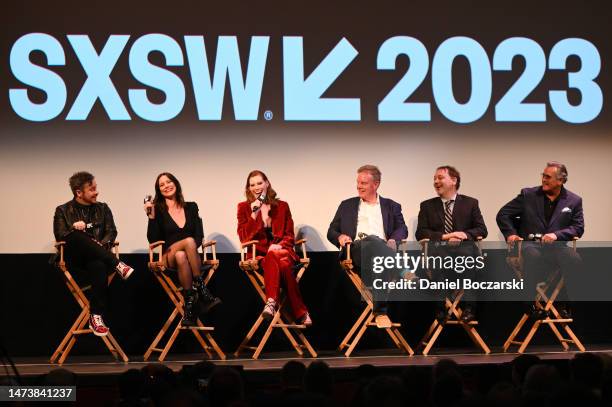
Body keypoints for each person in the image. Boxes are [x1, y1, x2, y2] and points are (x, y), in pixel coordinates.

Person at [496, 162, 584, 318]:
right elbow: (503, 214)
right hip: (531, 246)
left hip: (557, 247)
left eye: (548, 177)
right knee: (533, 255)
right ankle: (528, 302)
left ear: (561, 180)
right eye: (543, 175)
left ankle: (565, 303)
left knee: (574, 258)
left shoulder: (574, 200)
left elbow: (578, 228)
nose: (543, 179)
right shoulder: (528, 195)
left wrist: (556, 235)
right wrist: (510, 233)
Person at [53, 171, 134, 337]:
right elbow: (60, 236)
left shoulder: (103, 209)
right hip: (74, 262)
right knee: (75, 234)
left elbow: (111, 231)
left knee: (98, 264)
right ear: (79, 192)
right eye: (92, 189)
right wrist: (73, 228)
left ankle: (96, 316)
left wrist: (99, 245)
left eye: (96, 188)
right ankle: (117, 264)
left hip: (97, 261)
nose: (96, 192)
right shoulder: (63, 210)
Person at [327, 165, 408, 328]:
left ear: (376, 184)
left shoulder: (391, 206)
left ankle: (380, 313)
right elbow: (331, 231)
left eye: (363, 183)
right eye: (358, 182)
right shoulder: (347, 205)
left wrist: (393, 239)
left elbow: (402, 229)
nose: (359, 186)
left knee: (379, 256)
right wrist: (340, 236)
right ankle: (401, 269)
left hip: (382, 254)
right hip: (356, 251)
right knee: (372, 240)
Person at [237, 170, 311, 326]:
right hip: (260, 256)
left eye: (259, 183)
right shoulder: (244, 207)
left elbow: (290, 235)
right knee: (282, 264)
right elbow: (244, 238)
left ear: (267, 183)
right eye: (252, 184)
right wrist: (254, 214)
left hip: (282, 251)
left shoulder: (282, 206)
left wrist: (279, 245)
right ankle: (301, 311)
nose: (256, 187)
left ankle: (271, 302)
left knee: (276, 255)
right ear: (248, 188)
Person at [145, 172, 220, 326]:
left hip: (189, 257)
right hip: (168, 256)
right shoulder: (158, 210)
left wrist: (189, 246)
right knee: (184, 245)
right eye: (162, 185)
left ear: (176, 183)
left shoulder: (191, 207)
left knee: (182, 254)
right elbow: (153, 240)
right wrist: (151, 217)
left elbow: (199, 236)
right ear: (158, 190)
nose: (166, 186)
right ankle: (202, 289)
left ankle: (190, 305)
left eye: (169, 182)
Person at [415, 165, 488, 322]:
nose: (436, 181)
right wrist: (446, 236)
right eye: (434, 179)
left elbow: (482, 229)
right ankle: (440, 308)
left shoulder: (471, 203)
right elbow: (421, 233)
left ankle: (469, 308)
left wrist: (464, 235)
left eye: (440, 177)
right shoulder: (427, 205)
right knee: (434, 259)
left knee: (469, 256)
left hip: (464, 251)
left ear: (454, 180)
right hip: (439, 251)